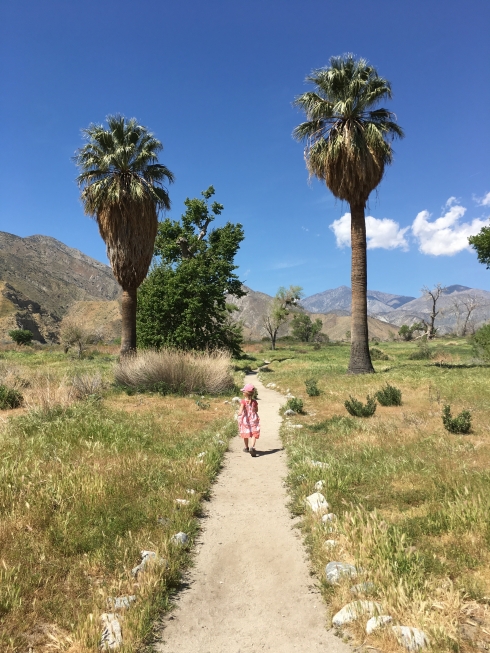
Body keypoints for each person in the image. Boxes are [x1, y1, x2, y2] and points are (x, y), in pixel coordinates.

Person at [238, 383, 260, 457]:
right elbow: (256, 410)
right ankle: (252, 447)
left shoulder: (243, 401)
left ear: (246, 393)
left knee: (245, 433)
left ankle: (246, 447)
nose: (243, 392)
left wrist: (240, 412)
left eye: (243, 391)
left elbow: (241, 408)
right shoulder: (254, 402)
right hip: (253, 419)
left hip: (246, 420)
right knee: (254, 433)